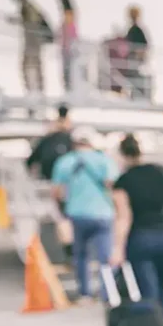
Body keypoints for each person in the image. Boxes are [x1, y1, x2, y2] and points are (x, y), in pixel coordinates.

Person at [109, 134, 163, 320]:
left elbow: (124, 217)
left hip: (141, 238)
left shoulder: (123, 181)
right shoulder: (162, 171)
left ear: (122, 154)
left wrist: (117, 248)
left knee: (148, 290)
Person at [51, 127, 120, 302]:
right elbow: (114, 187)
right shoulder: (105, 160)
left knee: (81, 255)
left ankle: (85, 293)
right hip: (104, 213)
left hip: (77, 214)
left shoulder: (64, 162)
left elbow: (57, 192)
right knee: (105, 256)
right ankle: (108, 293)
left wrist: (62, 211)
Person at [7, 0, 52, 97]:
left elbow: (30, 22)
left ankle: (35, 90)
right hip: (33, 40)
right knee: (33, 64)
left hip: (32, 40)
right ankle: (36, 89)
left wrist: (16, 21)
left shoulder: (26, 5)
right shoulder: (27, 4)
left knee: (30, 64)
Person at [123, 5, 151, 100]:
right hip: (133, 61)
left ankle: (137, 96)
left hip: (135, 61)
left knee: (135, 79)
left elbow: (144, 46)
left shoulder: (137, 30)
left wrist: (138, 54)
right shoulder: (133, 29)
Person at [58, 0, 79, 92]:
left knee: (67, 70)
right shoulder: (71, 15)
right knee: (67, 69)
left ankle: (68, 88)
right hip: (67, 46)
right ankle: (68, 87)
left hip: (67, 48)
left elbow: (69, 32)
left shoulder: (69, 15)